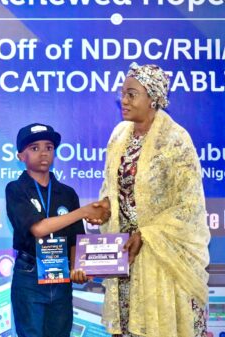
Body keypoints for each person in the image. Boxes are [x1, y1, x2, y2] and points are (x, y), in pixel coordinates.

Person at [99, 62, 210, 337]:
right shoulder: (119, 135)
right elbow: (111, 187)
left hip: (163, 261)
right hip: (124, 257)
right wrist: (104, 207)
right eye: (122, 93)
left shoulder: (175, 140)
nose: (123, 100)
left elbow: (189, 206)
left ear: (153, 99)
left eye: (131, 94)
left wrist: (146, 235)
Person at [5, 123, 110, 337]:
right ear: (20, 156)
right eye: (34, 148)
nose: (43, 153)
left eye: (49, 147)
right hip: (29, 276)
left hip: (61, 277)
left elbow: (76, 239)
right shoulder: (16, 189)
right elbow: (39, 229)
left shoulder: (67, 193)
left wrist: (78, 270)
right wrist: (82, 211)